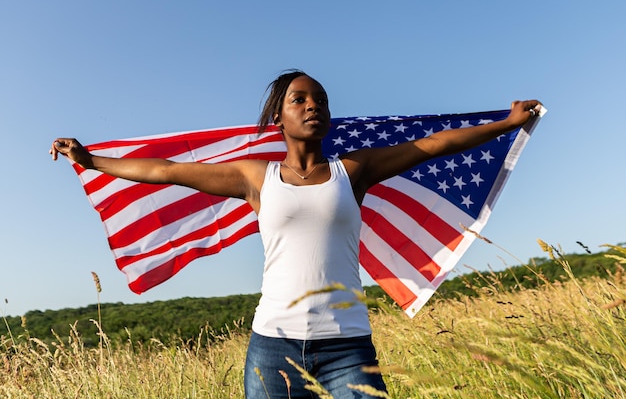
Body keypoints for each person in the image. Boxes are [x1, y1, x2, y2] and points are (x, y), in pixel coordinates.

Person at [51, 70, 541, 398]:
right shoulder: (254, 178)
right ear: (279, 116)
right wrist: (90, 159)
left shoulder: (355, 170)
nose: (312, 107)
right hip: (273, 345)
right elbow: (167, 171)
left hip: (348, 347)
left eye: (320, 100)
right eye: (299, 99)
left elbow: (434, 145)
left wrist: (508, 123)